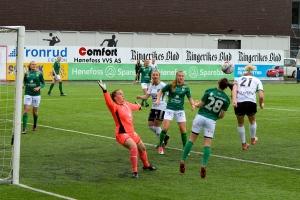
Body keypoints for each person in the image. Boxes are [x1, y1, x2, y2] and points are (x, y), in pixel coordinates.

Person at [97, 80, 156, 178]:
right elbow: (108, 102)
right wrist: (105, 91)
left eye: (123, 94)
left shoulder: (126, 104)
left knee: (142, 148)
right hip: (121, 133)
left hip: (131, 132)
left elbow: (135, 106)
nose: (123, 95)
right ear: (115, 98)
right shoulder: (114, 107)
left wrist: (139, 106)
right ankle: (135, 171)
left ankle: (146, 165)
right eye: (120, 94)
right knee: (134, 147)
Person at [179, 78, 233, 178]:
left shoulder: (209, 90)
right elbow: (222, 115)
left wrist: (195, 103)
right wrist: (214, 118)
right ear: (226, 87)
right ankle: (203, 165)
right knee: (207, 145)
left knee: (191, 140)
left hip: (200, 117)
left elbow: (200, 105)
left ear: (218, 83)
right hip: (211, 120)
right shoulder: (226, 99)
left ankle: (183, 160)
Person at [155, 70, 195, 155]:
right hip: (170, 109)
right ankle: (160, 146)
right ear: (176, 77)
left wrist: (193, 105)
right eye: (179, 76)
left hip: (180, 110)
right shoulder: (171, 85)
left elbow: (190, 98)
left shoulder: (186, 88)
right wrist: (158, 99)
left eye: (182, 76)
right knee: (165, 128)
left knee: (183, 130)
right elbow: (160, 91)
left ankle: (185, 148)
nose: (181, 77)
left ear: (184, 77)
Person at [232, 65, 264, 150]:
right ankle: (253, 138)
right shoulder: (257, 80)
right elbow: (261, 96)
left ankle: (244, 144)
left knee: (240, 123)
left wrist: (234, 100)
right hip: (250, 102)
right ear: (252, 75)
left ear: (244, 75)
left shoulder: (237, 79)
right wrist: (261, 104)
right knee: (252, 121)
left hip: (239, 102)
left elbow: (234, 89)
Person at [136, 70, 170, 148]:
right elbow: (147, 96)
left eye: (156, 75)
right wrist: (140, 97)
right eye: (153, 75)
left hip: (161, 108)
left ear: (159, 76)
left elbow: (169, 95)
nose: (155, 76)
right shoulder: (152, 86)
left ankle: (162, 143)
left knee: (157, 127)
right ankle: (165, 137)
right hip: (154, 107)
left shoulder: (163, 85)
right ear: (151, 76)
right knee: (150, 126)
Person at [22, 61, 45, 134]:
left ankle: (35, 125)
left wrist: (38, 88)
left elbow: (43, 84)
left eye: (35, 64)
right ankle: (24, 129)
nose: (34, 65)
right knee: (26, 110)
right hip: (28, 93)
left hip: (36, 95)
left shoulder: (39, 73)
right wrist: (23, 84)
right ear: (30, 65)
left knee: (35, 112)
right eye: (32, 64)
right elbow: (24, 81)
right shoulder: (27, 73)